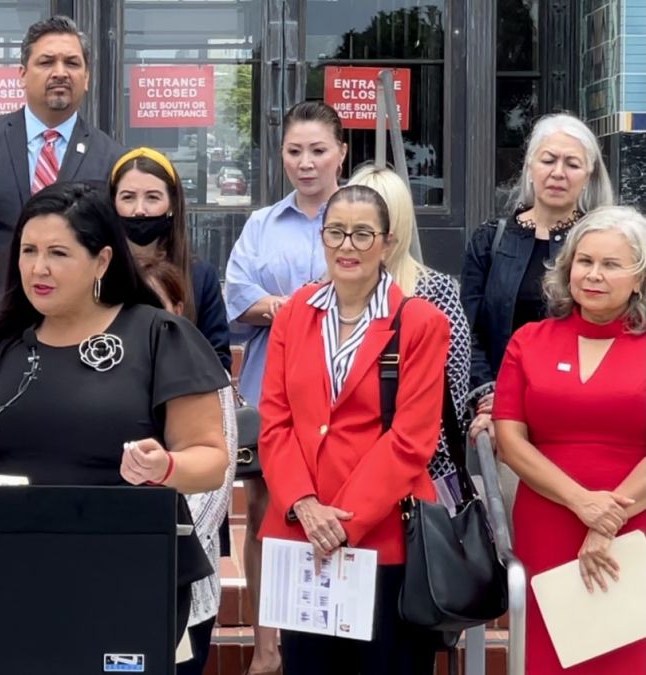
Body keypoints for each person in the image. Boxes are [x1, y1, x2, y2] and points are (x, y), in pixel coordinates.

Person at [0, 182, 229, 644]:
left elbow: (211, 460)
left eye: (58, 253)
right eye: (28, 250)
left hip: (122, 568)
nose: (39, 268)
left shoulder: (158, 336)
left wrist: (165, 467)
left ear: (102, 260)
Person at [257, 185, 449, 674]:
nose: (347, 246)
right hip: (303, 537)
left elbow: (412, 440)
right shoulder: (295, 314)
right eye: (337, 232)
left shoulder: (420, 322)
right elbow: (275, 420)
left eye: (363, 234)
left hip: (382, 538)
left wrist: (342, 521)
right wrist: (302, 503)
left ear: (386, 242)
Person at [492, 206, 646, 674]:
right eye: (585, 261)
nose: (593, 275)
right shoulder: (529, 341)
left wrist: (605, 521)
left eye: (611, 265)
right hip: (549, 522)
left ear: (639, 278)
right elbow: (510, 440)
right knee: (550, 658)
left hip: (634, 529)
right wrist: (582, 503)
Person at [223, 100, 347, 674]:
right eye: (294, 151)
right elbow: (237, 299)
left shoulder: (358, 216)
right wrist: (301, 306)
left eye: (318, 150)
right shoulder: (262, 224)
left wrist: (285, 307)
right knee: (268, 508)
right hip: (271, 389)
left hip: (346, 394)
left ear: (342, 153)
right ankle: (268, 645)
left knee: (338, 509)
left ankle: (326, 640)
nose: (305, 163)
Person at [0, 15, 124, 300]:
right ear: (21, 74)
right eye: (46, 62)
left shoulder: (111, 158)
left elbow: (115, 251)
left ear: (87, 78)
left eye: (72, 63)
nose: (60, 72)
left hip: (74, 324)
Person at [462, 113, 615, 443]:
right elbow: (467, 329)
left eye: (572, 164)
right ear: (530, 166)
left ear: (588, 175)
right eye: (548, 160)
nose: (558, 173)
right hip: (505, 416)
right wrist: (490, 397)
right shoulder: (491, 240)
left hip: (582, 413)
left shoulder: (603, 243)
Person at [347, 165, 471, 508]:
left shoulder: (437, 294)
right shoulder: (320, 298)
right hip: (338, 475)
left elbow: (449, 406)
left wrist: (379, 476)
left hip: (418, 486)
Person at [140, 259, 237, 675]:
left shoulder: (205, 374)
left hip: (185, 575)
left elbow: (214, 488)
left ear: (178, 308)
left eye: (152, 303)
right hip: (117, 568)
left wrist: (154, 542)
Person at [111, 147, 232, 370]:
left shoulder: (200, 275)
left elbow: (218, 357)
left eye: (152, 197)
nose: (139, 210)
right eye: (127, 197)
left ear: (172, 204)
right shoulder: (95, 272)